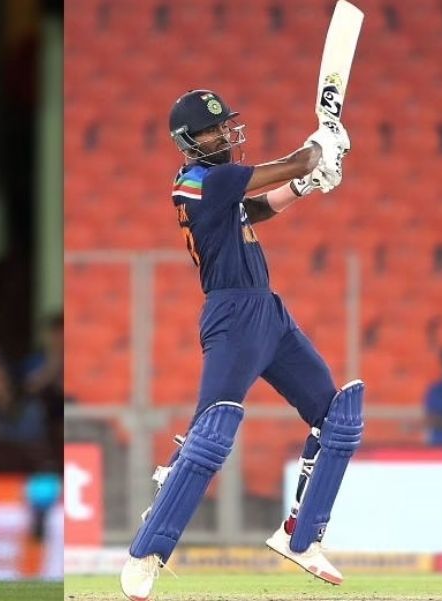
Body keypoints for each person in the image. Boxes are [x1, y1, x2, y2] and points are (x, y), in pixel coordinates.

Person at [119, 90, 364, 600]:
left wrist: (305, 184)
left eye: (224, 125)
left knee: (336, 416)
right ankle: (147, 552)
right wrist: (320, 148)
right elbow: (287, 163)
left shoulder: (219, 188)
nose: (222, 135)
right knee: (212, 434)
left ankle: (301, 536)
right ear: (189, 141)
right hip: (231, 315)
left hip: (267, 312)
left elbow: (256, 209)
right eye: (211, 131)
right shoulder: (202, 181)